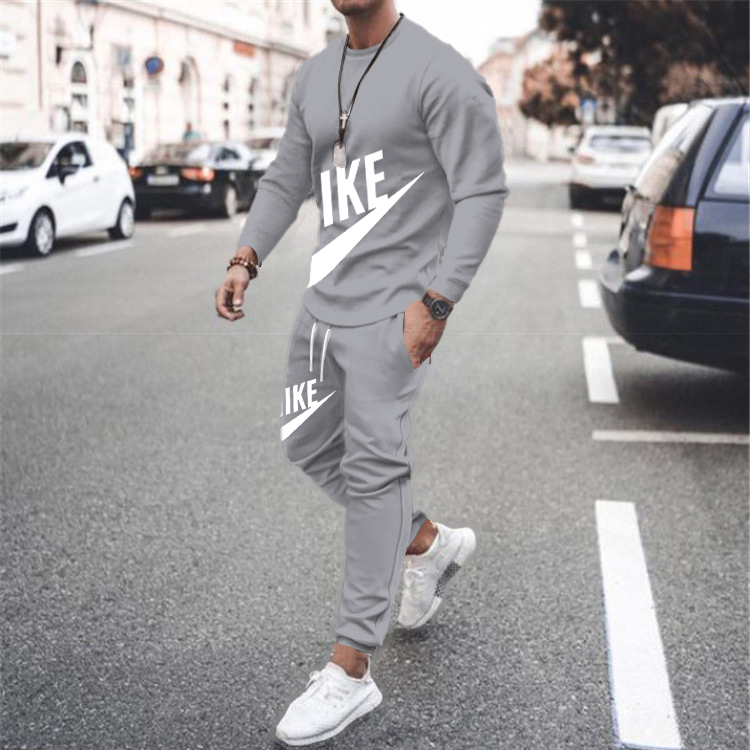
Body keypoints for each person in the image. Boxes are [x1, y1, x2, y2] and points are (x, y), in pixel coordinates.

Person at [215, 1, 508, 745]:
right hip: (324, 305)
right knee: (308, 443)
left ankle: (351, 670)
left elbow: (482, 190)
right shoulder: (315, 74)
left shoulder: (442, 72)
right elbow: (287, 177)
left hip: (396, 312)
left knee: (375, 470)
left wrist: (438, 301)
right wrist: (247, 256)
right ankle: (427, 542)